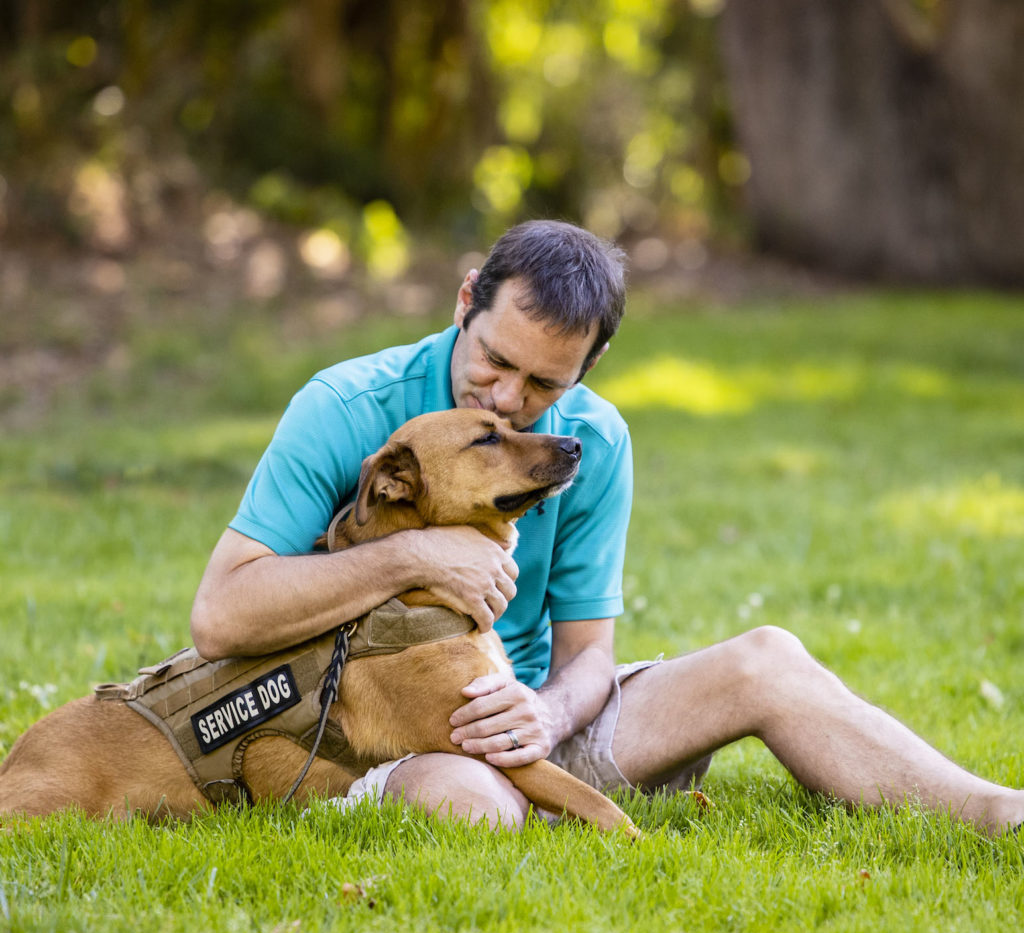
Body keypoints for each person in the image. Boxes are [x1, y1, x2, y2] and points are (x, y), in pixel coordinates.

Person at [191, 219, 1024, 835]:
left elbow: (589, 655)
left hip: (533, 723)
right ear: (464, 301)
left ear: (588, 369)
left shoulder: (592, 440)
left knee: (767, 657)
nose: (509, 399)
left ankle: (991, 813)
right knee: (477, 808)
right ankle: (521, 799)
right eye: (495, 361)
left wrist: (547, 719)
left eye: (544, 383)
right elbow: (221, 617)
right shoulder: (344, 409)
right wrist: (415, 552)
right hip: (403, 736)